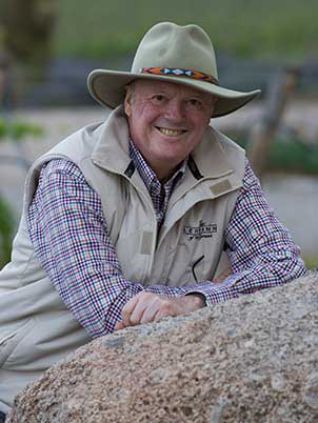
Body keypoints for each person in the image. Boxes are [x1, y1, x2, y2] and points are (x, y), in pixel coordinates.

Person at [0, 21, 306, 417]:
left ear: (211, 110)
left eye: (194, 102)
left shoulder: (231, 167)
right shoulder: (70, 172)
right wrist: (217, 298)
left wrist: (194, 302)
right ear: (127, 102)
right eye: (159, 96)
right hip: (23, 387)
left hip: (140, 386)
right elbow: (110, 312)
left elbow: (285, 270)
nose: (175, 115)